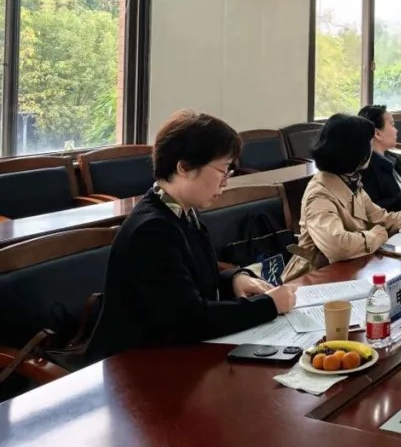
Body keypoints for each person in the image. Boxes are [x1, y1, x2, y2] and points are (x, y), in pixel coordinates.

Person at [88, 110, 296, 361]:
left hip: (174, 351)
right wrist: (268, 306)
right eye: (223, 170)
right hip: (136, 364)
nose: (225, 182)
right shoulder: (152, 230)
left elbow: (187, 281)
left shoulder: (180, 211)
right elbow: (189, 320)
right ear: (184, 167)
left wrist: (233, 279)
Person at [283, 114, 401, 281]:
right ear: (355, 151)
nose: (371, 149)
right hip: (313, 278)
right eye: (368, 144)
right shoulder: (319, 194)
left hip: (348, 269)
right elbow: (338, 246)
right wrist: (377, 235)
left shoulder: (350, 180)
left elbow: (383, 218)